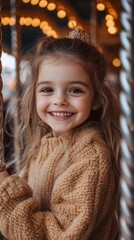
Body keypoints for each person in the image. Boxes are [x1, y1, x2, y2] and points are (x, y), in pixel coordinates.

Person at [0, 28, 120, 240]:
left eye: (75, 90)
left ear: (96, 100)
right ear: (34, 94)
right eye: (47, 90)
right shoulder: (45, 145)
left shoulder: (91, 156)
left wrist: (6, 194)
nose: (60, 100)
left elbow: (57, 235)